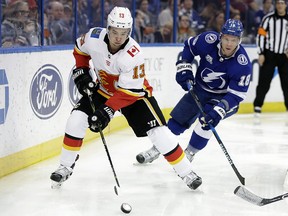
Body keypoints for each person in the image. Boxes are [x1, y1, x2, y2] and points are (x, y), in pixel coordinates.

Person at [50, 6, 202, 190]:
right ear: (108, 28)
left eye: (124, 33)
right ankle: (65, 166)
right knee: (76, 120)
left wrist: (107, 110)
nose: (118, 37)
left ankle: (186, 172)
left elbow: (129, 92)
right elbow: (79, 50)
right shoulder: (93, 37)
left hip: (135, 95)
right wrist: (81, 70)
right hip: (104, 90)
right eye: (115, 32)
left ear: (129, 31)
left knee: (159, 132)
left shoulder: (134, 53)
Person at [136, 19, 252, 174]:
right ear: (220, 36)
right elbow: (189, 47)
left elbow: (236, 94)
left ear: (239, 40)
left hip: (224, 97)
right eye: (226, 39)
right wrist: (184, 66)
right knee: (178, 120)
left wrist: (221, 109)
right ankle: (157, 148)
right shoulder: (208, 40)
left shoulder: (242, 64)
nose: (229, 44)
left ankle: (188, 154)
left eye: (233, 40)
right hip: (200, 89)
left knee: (207, 121)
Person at [253, 0, 288, 115]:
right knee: (264, 81)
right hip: (270, 54)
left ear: (285, 5)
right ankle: (258, 105)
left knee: (286, 83)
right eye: (278, 3)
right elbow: (260, 36)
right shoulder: (268, 18)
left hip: (284, 55)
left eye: (282, 3)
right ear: (275, 5)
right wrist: (261, 53)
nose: (280, 5)